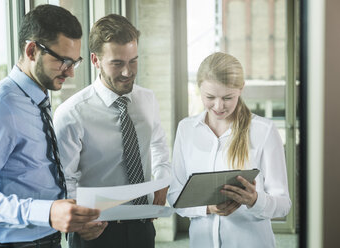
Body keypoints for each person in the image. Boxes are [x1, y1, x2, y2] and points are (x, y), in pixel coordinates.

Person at [0, 4, 107, 247]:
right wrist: (45, 212)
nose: (70, 73)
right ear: (32, 50)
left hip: (48, 239)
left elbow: (36, 176)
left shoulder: (38, 99)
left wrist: (74, 219)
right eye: (63, 61)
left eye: (74, 62)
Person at [53, 14, 171, 248]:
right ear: (95, 60)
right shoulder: (72, 113)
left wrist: (162, 178)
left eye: (133, 61)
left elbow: (158, 145)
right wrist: (80, 221)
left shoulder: (147, 99)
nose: (128, 72)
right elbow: (65, 178)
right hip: (95, 231)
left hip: (142, 225)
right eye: (117, 63)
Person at [167, 52, 291, 248]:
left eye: (227, 97)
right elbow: (175, 195)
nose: (218, 106)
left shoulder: (264, 131)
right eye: (210, 97)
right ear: (199, 89)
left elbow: (283, 204)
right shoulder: (186, 129)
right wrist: (207, 208)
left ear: (241, 89)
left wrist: (255, 200)